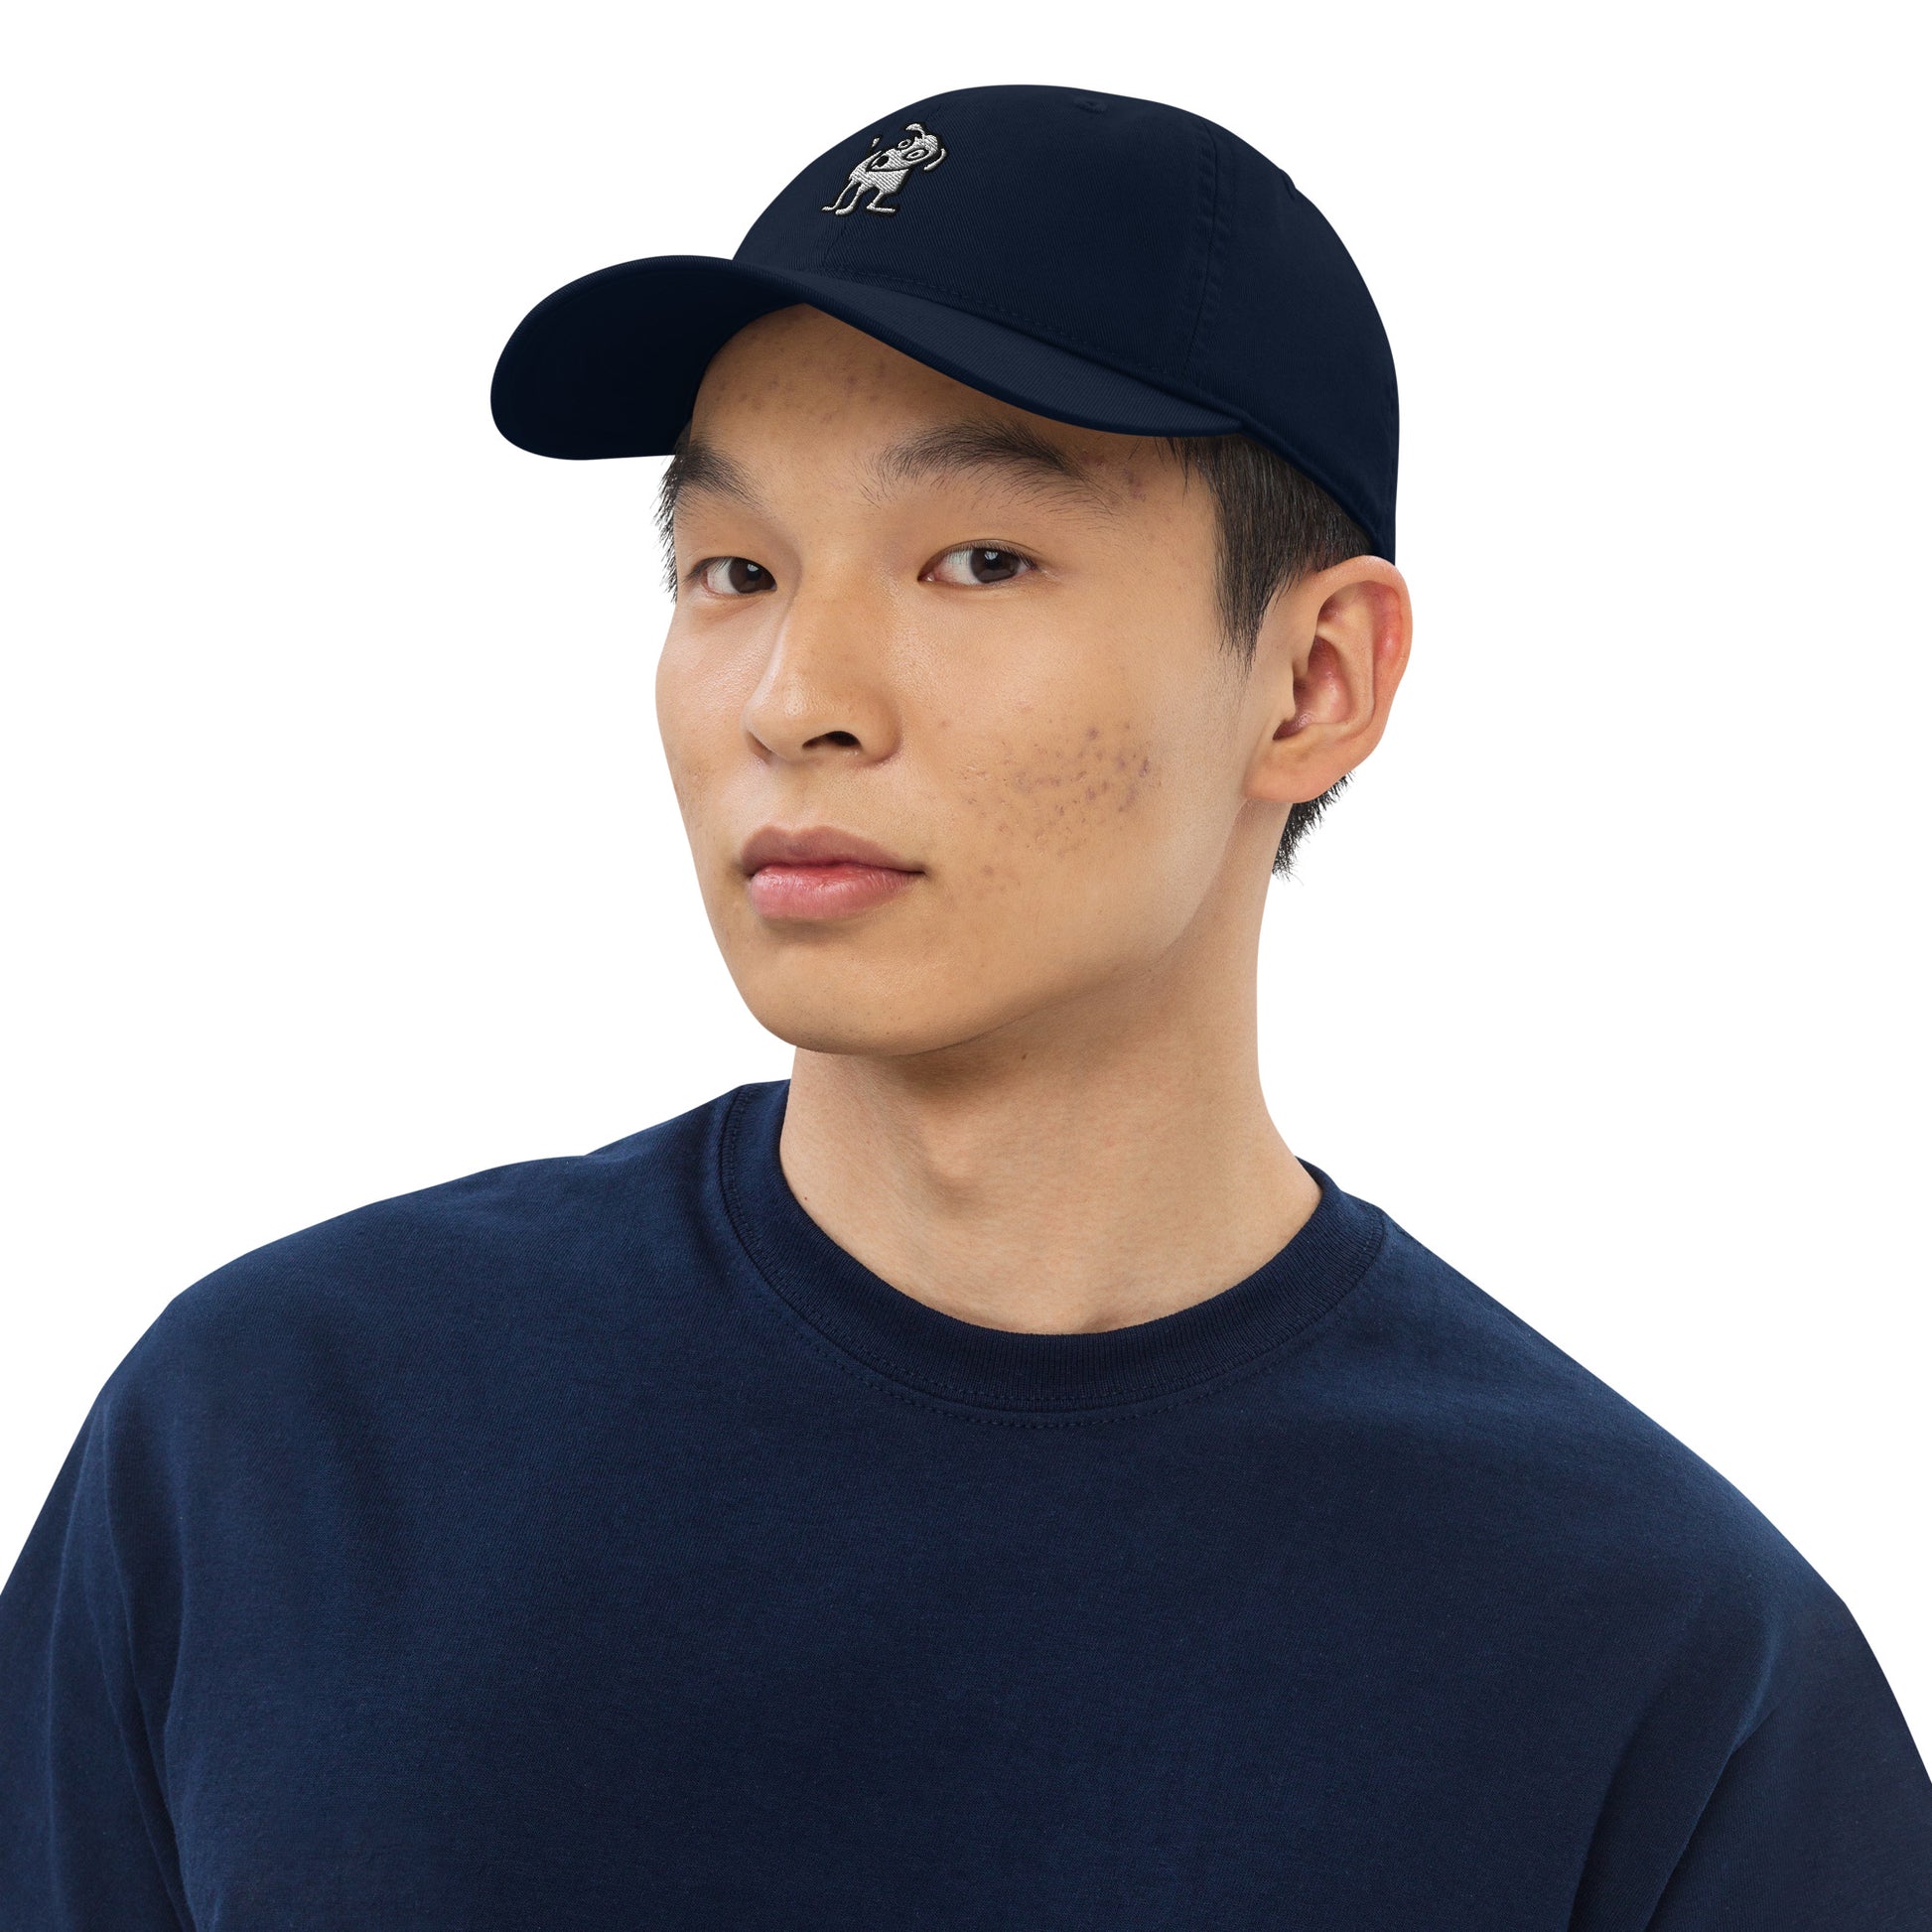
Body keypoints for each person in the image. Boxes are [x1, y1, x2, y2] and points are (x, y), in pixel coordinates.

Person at [2, 80, 1927, 1930]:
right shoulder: (273, 1450)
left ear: (1314, 677)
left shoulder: (1663, 1684)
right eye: (732, 568)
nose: (794, 693)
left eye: (975, 557)